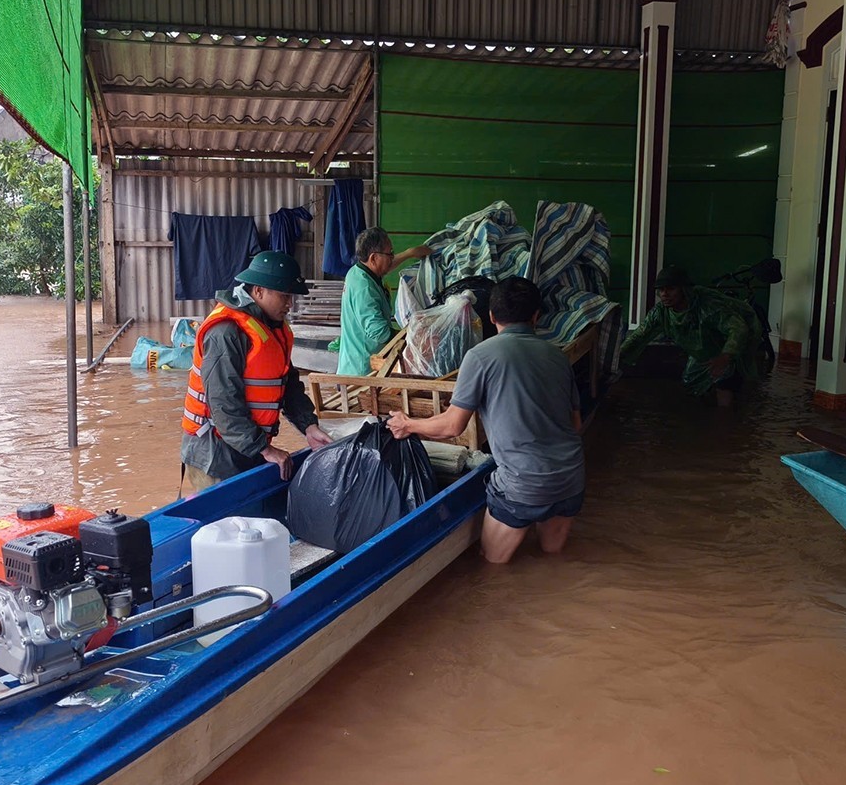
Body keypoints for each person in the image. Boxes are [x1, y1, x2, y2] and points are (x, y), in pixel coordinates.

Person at [388, 277, 585, 564]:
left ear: (491, 317)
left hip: (521, 484)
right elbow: (575, 425)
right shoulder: (558, 357)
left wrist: (407, 425)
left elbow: (452, 426)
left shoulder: (480, 356)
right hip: (570, 480)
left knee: (490, 565)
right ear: (536, 316)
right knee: (552, 562)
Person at [181, 250, 333, 491]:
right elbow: (224, 403)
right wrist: (265, 449)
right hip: (215, 453)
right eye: (284, 296)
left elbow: (288, 383)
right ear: (259, 291)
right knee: (226, 525)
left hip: (246, 447)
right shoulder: (226, 332)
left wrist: (309, 426)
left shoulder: (272, 327)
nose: (290, 304)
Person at [619, 265, 762, 407]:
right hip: (704, 347)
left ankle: (729, 419)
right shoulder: (661, 313)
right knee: (691, 382)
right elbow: (639, 336)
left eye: (671, 289)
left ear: (684, 289)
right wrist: (616, 357)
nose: (664, 294)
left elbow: (738, 328)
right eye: (661, 289)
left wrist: (726, 356)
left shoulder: (708, 307)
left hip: (730, 344)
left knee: (726, 378)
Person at [336, 227, 431, 376]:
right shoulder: (364, 288)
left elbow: (386, 265)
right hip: (362, 372)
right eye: (390, 253)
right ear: (373, 258)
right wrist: (412, 339)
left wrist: (410, 253)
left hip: (356, 362)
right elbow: (379, 332)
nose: (392, 257)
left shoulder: (359, 271)